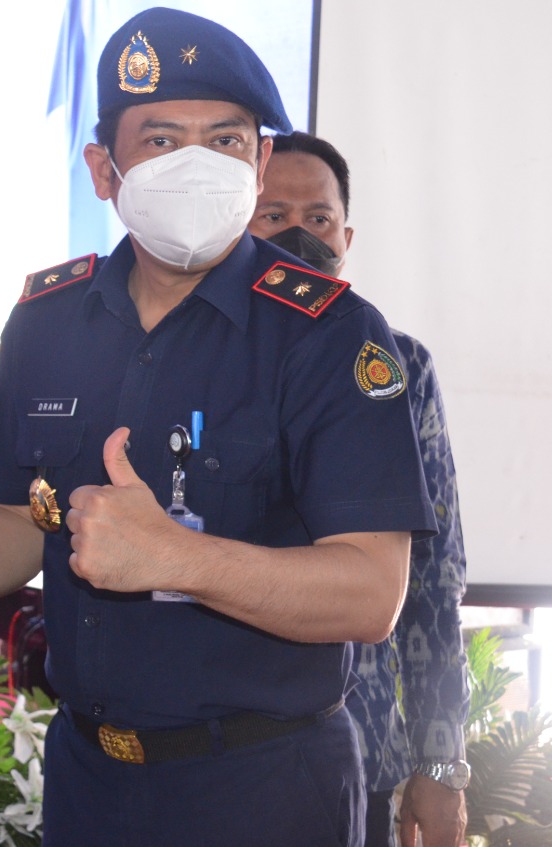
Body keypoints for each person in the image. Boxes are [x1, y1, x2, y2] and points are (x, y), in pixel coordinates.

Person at [0, 8, 435, 846]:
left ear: (261, 163)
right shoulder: (46, 321)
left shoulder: (330, 334)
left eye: (225, 141)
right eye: (161, 140)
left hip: (266, 788)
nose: (196, 165)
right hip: (89, 780)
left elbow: (373, 591)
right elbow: (21, 517)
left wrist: (176, 558)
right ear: (103, 170)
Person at [250, 131, 470, 847]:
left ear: (346, 235)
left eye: (316, 218)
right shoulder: (188, 357)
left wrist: (440, 763)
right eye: (271, 214)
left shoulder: (397, 365)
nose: (297, 234)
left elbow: (435, 582)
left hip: (358, 747)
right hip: (207, 754)